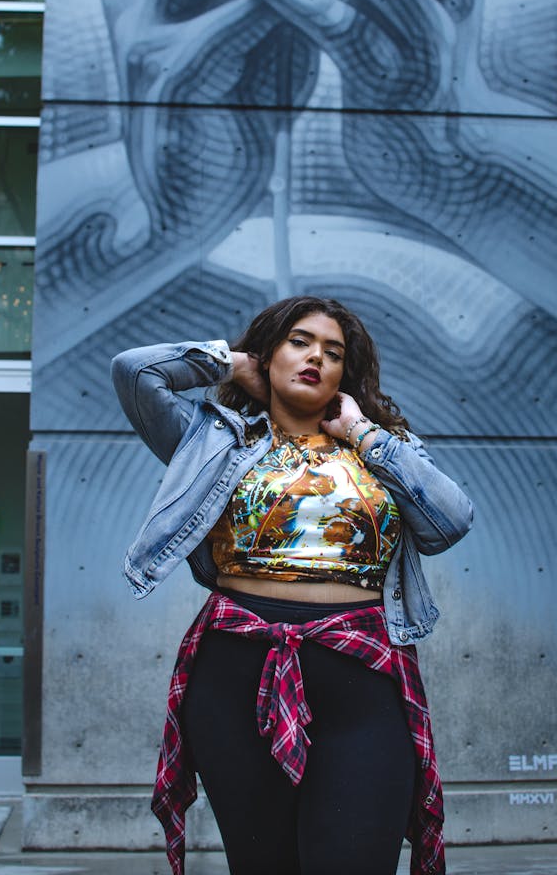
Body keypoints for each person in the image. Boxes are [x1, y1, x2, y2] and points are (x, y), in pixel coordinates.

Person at [111, 295, 473, 875]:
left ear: (345, 375)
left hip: (362, 672)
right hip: (234, 669)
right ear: (270, 353)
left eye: (333, 352)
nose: (316, 358)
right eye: (299, 342)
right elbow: (135, 372)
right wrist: (233, 364)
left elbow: (450, 520)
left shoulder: (384, 447)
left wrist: (362, 432)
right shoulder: (213, 438)